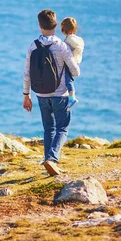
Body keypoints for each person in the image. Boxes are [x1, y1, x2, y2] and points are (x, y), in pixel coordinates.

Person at [23, 9, 80, 176]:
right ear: (55, 25)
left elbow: (27, 73)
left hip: (41, 94)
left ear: (40, 26)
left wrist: (26, 96)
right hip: (60, 94)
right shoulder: (61, 45)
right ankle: (52, 159)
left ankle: (49, 163)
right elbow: (75, 72)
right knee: (62, 128)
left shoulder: (33, 46)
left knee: (48, 129)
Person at [60, 17, 85, 112]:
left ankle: (72, 97)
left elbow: (74, 49)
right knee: (68, 79)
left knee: (68, 79)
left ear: (64, 30)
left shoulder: (69, 40)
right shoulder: (76, 39)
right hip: (75, 61)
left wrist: (70, 58)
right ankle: (70, 97)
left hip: (70, 62)